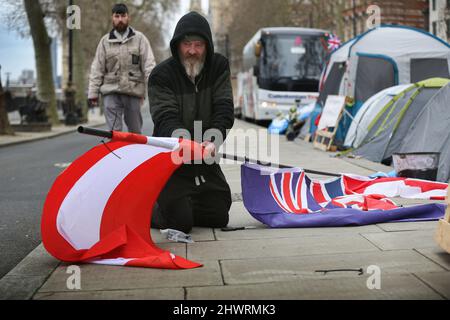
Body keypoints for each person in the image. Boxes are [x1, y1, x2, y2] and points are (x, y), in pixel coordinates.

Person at [149, 11, 235, 234]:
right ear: (177, 45)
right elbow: (164, 118)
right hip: (174, 160)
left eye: (198, 44)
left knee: (219, 216)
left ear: (207, 46)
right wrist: (186, 143)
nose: (192, 51)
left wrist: (212, 140)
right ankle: (156, 205)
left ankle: (186, 202)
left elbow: (224, 109)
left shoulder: (219, 66)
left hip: (206, 158)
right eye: (187, 44)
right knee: (180, 223)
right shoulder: (161, 75)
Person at [88, 3, 156, 134]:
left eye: (123, 16)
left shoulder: (140, 39)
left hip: (133, 91)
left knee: (135, 132)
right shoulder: (104, 42)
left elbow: (149, 65)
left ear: (128, 17)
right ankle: (115, 153)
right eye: (117, 16)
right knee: (114, 133)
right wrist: (93, 93)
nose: (120, 19)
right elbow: (97, 68)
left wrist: (154, 89)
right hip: (111, 91)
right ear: (112, 18)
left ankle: (134, 154)